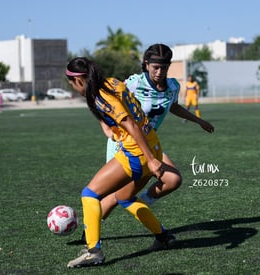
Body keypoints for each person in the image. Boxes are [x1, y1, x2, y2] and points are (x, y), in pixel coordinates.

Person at [65, 57, 176, 268]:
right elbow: (119, 109)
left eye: (72, 83)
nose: (72, 87)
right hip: (152, 144)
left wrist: (151, 161)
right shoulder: (111, 83)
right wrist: (106, 126)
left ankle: (93, 251)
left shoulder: (100, 97)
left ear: (79, 79)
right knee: (125, 197)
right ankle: (164, 238)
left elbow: (131, 124)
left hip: (137, 152)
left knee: (89, 194)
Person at [98, 44, 214, 226]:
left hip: (150, 145)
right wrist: (106, 128)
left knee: (173, 180)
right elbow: (104, 100)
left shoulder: (173, 86)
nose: (160, 72)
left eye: (164, 67)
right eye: (155, 67)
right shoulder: (134, 83)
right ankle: (90, 232)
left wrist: (198, 121)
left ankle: (141, 205)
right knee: (115, 195)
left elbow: (173, 106)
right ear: (146, 64)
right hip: (125, 144)